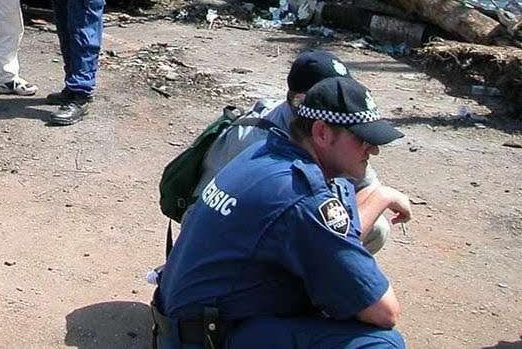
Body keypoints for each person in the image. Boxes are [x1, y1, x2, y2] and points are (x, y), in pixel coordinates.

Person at [153, 76, 413, 348]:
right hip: (208, 338)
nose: (374, 149)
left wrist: (380, 195)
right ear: (322, 132)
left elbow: (333, 239)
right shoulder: (301, 195)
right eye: (362, 139)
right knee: (381, 342)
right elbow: (385, 311)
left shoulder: (267, 153)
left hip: (183, 326)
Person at [194, 49, 405, 254]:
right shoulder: (259, 142)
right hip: (223, 236)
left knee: (375, 227)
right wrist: (379, 201)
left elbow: (366, 186)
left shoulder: (329, 130)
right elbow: (204, 217)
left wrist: (349, 223)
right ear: (298, 100)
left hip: (271, 227)